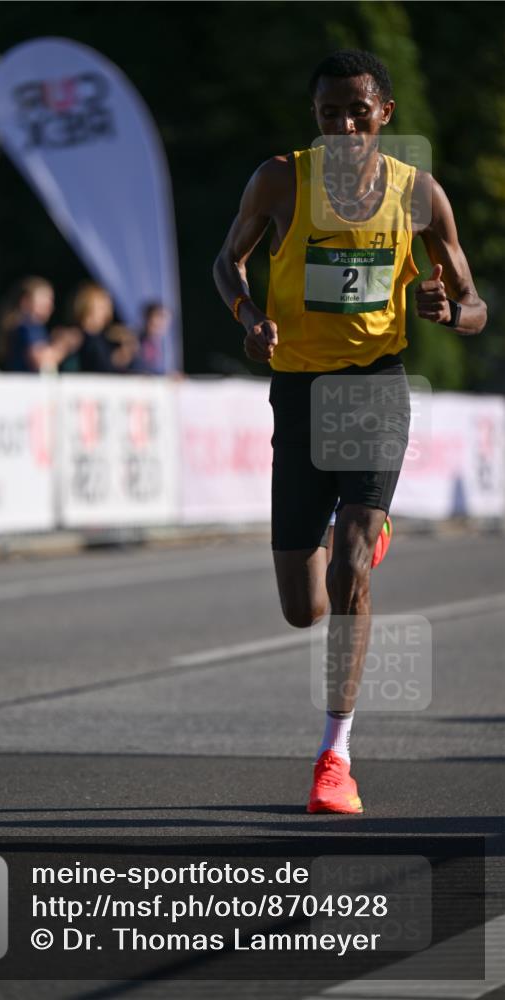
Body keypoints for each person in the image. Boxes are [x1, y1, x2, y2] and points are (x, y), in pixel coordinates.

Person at [213, 49, 486, 814]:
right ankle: (357, 532)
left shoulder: (418, 195)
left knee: (351, 570)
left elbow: (474, 306)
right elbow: (224, 263)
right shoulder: (279, 180)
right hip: (297, 390)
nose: (342, 126)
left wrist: (446, 312)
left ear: (384, 116)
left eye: (356, 112)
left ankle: (333, 756)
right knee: (304, 606)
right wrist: (248, 315)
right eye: (328, 113)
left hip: (373, 388)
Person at [0, 276, 80, 373]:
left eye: (51, 299)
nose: (49, 305)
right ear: (26, 301)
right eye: (44, 298)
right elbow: (41, 361)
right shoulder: (28, 326)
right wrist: (63, 344)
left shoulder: (32, 326)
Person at [72, 282, 139, 373]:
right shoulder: (77, 338)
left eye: (107, 308)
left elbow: (106, 365)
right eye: (101, 308)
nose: (107, 313)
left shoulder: (102, 338)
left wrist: (124, 352)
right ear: (87, 307)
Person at [133, 302, 171, 375]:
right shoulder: (133, 341)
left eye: (164, 318)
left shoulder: (162, 346)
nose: (161, 323)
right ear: (147, 318)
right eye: (159, 316)